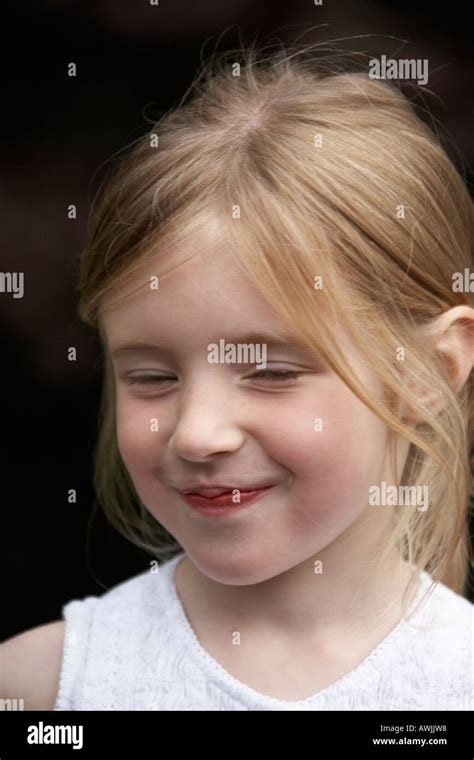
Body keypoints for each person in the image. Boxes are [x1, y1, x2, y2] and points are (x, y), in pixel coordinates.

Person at [2, 43, 473, 710]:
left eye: (271, 371)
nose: (197, 434)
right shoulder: (41, 688)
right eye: (152, 377)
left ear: (431, 369)